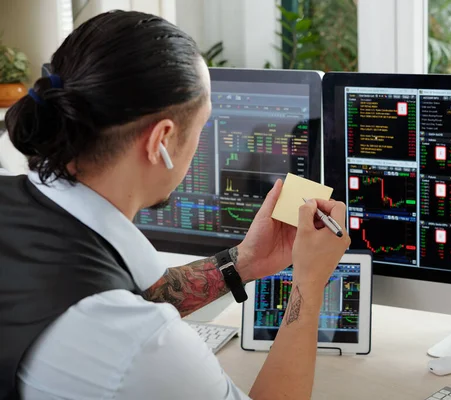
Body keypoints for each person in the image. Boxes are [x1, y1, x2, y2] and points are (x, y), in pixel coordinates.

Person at [0, 10, 350, 400]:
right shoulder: (140, 345)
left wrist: (246, 260)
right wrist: (309, 283)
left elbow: (120, 292)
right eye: (202, 126)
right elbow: (123, 320)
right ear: (161, 141)